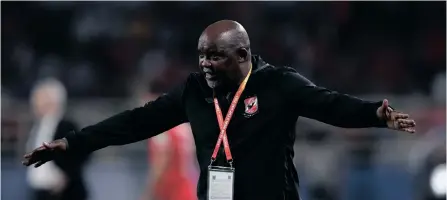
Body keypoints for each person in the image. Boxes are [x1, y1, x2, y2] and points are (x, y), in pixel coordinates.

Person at [22, 20, 416, 200]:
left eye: (215, 56)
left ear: (242, 54)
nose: (205, 64)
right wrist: (72, 143)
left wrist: (374, 115)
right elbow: (134, 123)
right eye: (201, 56)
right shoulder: (194, 91)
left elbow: (330, 105)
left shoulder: (278, 84)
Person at [26, 78, 89, 200]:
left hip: (64, 193)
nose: (34, 102)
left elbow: (82, 153)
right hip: (41, 192)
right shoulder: (37, 126)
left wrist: (66, 176)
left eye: (39, 98)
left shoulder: (67, 126)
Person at [139, 81, 198, 200]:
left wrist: (148, 193)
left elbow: (160, 163)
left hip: (172, 191)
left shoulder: (161, 131)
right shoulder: (184, 128)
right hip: (189, 188)